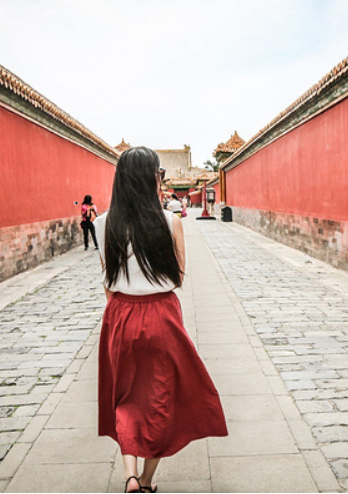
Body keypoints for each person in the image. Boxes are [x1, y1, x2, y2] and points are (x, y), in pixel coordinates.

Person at [95, 147, 227, 494]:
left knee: (123, 397)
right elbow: (178, 277)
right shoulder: (171, 221)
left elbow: (107, 282)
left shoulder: (101, 223)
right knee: (162, 399)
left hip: (120, 316)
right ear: (153, 178)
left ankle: (130, 476)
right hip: (162, 315)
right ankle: (149, 480)